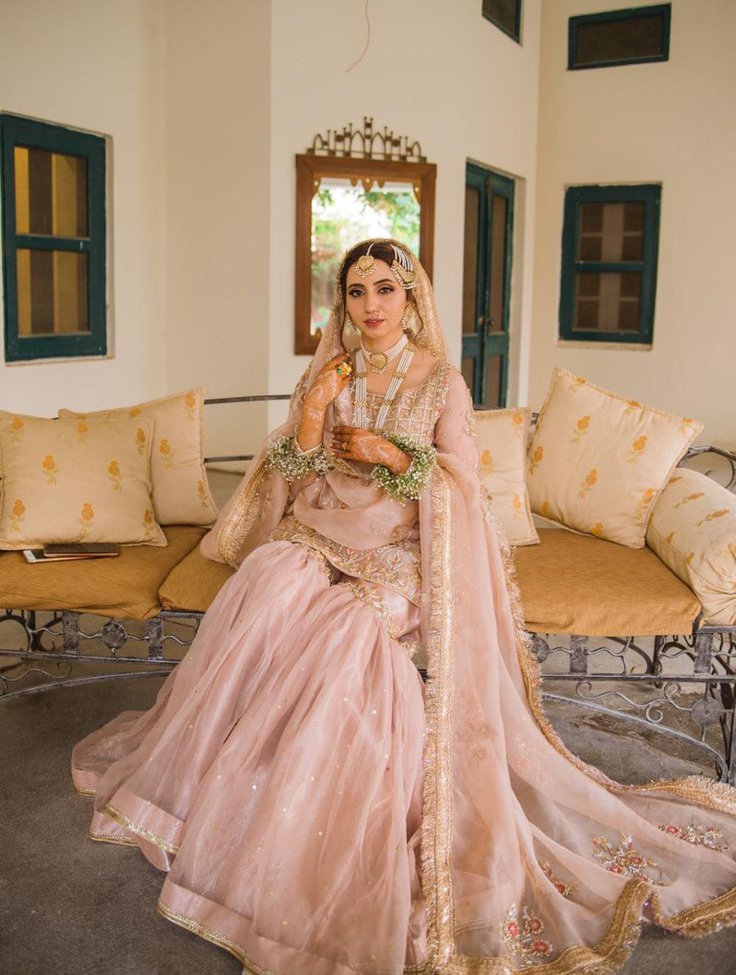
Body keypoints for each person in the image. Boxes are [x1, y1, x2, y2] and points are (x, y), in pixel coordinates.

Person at [73, 240, 736, 975]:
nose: (371, 306)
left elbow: (459, 486)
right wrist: (314, 412)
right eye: (356, 293)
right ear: (342, 303)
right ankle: (229, 787)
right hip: (320, 527)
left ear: (412, 298)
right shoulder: (328, 371)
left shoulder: (441, 381)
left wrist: (394, 458)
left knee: (348, 632)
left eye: (385, 290)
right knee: (267, 587)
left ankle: (317, 813)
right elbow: (291, 473)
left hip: (405, 549)